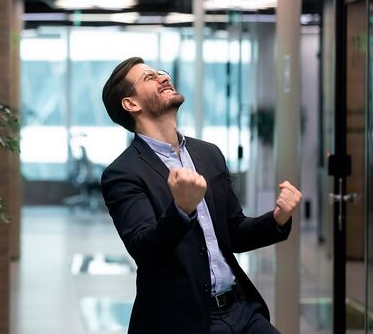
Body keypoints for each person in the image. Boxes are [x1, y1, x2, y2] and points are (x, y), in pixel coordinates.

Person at [101, 57, 302, 334]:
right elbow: (144, 249)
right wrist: (181, 210)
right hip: (184, 321)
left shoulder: (208, 154)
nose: (163, 77)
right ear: (131, 104)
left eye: (161, 73)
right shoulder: (123, 174)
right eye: (149, 78)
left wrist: (278, 219)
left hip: (241, 310)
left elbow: (234, 232)